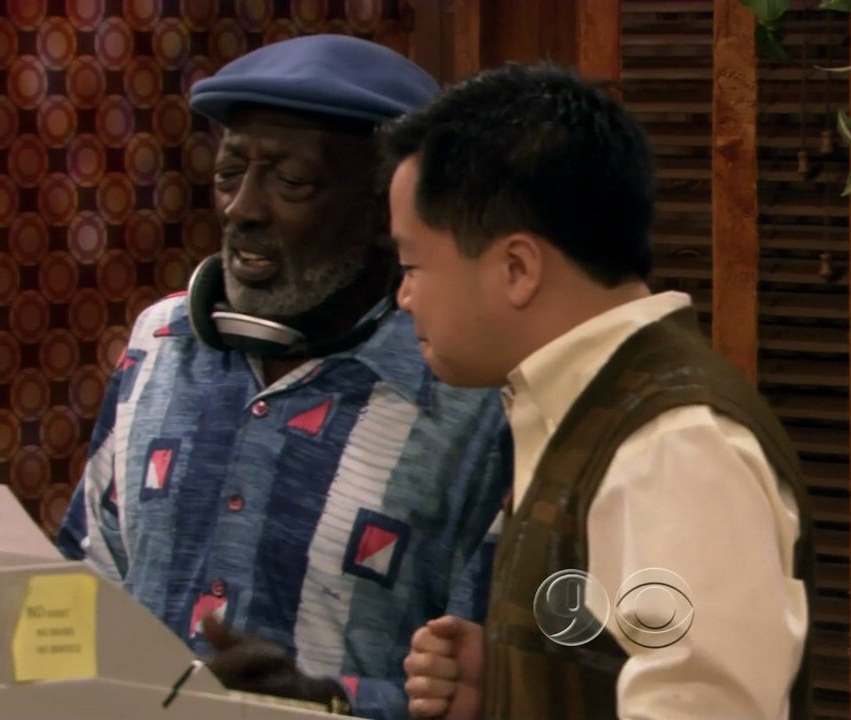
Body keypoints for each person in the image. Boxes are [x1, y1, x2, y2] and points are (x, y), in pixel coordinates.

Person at [56, 35, 511, 720]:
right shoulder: (159, 341)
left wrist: (324, 704)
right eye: (229, 174)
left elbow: (494, 685)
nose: (243, 208)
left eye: (290, 182)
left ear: (391, 210)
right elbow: (84, 582)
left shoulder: (473, 392)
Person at [386, 63, 813, 719]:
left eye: (413, 264)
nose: (404, 296)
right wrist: (512, 683)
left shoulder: (670, 446)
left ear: (517, 267)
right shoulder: (581, 412)